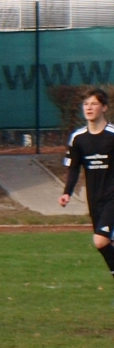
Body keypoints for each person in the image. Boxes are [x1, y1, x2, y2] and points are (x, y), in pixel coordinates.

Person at [60, 86, 114, 292]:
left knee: (100, 241)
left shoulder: (112, 135)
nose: (89, 108)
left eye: (94, 104)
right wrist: (67, 192)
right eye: (86, 104)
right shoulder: (78, 138)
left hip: (112, 198)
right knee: (108, 244)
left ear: (104, 108)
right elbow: (74, 168)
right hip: (94, 200)